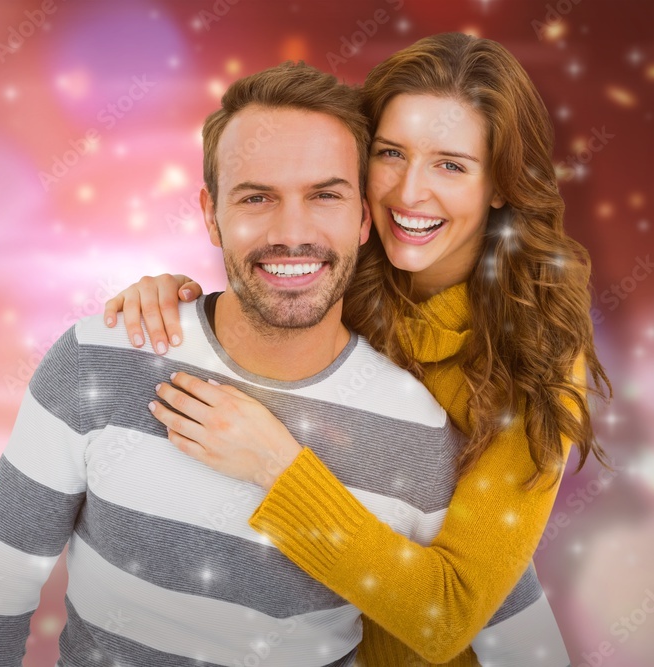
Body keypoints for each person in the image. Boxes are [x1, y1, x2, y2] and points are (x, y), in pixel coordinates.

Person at [0, 60, 564, 667]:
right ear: (211, 214)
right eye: (257, 196)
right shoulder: (100, 358)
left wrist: (280, 467)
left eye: (324, 195)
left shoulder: (456, 420)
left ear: (360, 218)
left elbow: (493, 628)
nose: (292, 230)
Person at [105, 32, 610, 666]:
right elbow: (257, 293)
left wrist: (277, 469)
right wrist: (172, 298)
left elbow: (445, 614)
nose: (408, 192)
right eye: (392, 154)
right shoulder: (342, 263)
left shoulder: (533, 356)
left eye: (451, 165)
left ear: (500, 185)